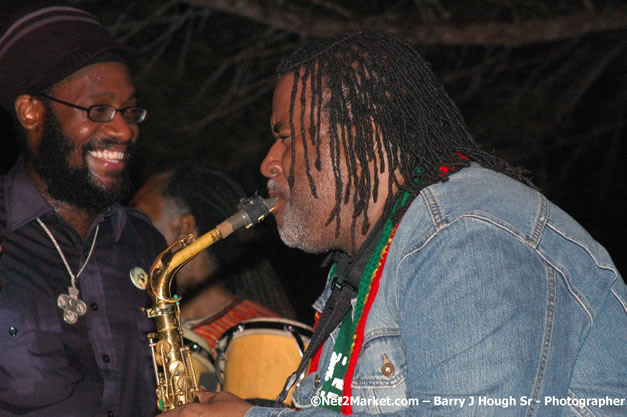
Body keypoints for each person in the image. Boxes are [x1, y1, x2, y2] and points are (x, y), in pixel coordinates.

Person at [162, 31, 626, 417]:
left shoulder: (467, 240)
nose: (268, 163)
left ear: (359, 135)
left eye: (284, 136)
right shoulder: (363, 265)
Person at [0, 2, 165, 416]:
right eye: (98, 110)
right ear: (31, 112)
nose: (124, 130)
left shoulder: (144, 242)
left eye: (129, 111)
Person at [131, 166, 297, 355]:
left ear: (184, 228)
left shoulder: (262, 335)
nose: (129, 237)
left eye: (140, 223)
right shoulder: (145, 323)